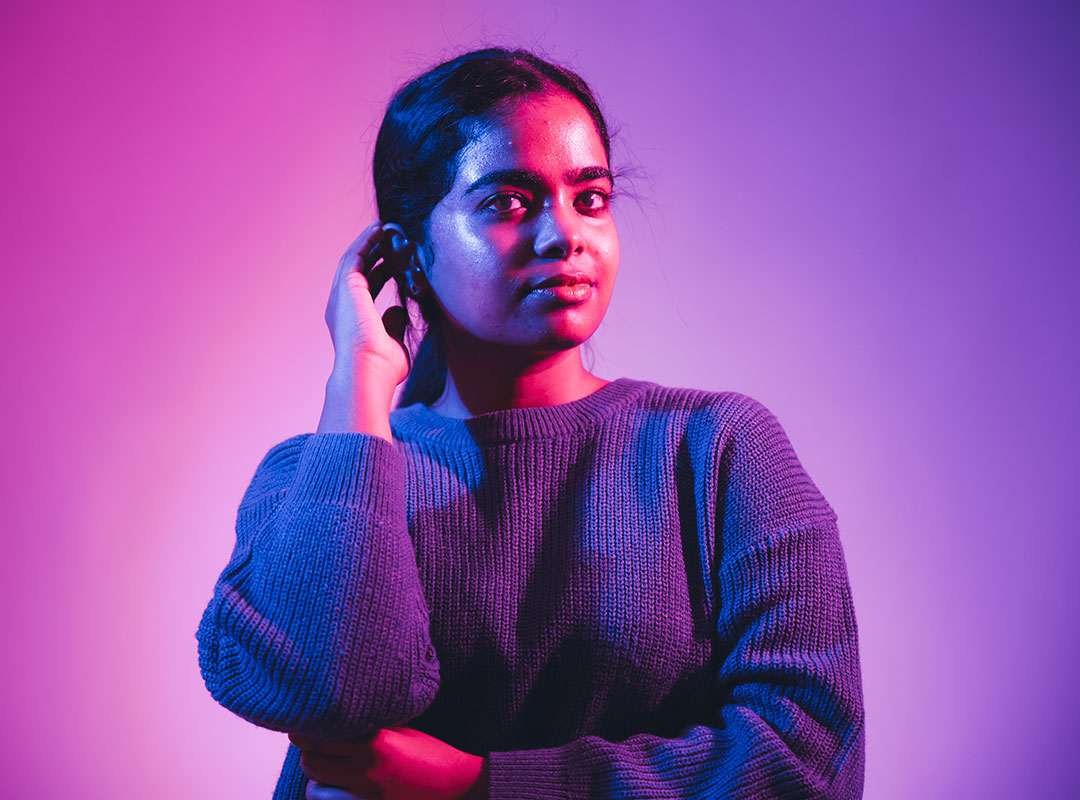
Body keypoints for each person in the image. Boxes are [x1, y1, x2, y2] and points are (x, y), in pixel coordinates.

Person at [196, 48, 865, 800]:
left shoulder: (719, 453)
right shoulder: (316, 476)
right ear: (407, 255)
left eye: (591, 197)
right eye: (509, 202)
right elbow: (330, 694)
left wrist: (483, 788)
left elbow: (808, 764)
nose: (565, 235)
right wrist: (359, 374)